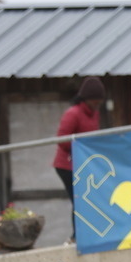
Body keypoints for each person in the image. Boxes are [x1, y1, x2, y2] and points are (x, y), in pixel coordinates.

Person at [52, 76, 106, 242]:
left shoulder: (94, 114)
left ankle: (85, 233)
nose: (97, 104)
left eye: (99, 101)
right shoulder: (73, 113)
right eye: (95, 101)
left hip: (83, 164)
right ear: (87, 99)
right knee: (79, 199)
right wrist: (80, 147)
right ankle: (76, 236)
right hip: (66, 164)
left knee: (86, 198)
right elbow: (62, 139)